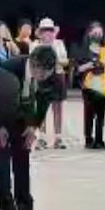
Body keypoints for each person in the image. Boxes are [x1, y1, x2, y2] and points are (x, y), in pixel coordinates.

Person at [0, 46, 56, 210]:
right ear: (33, 64)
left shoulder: (49, 74)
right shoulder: (7, 69)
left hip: (22, 119)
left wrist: (33, 126)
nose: (43, 76)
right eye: (40, 72)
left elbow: (44, 101)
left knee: (22, 166)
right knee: (1, 168)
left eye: (47, 73)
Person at [75, 21, 105, 149]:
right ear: (89, 33)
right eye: (94, 32)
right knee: (89, 112)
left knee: (101, 113)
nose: (97, 35)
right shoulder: (83, 48)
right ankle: (88, 139)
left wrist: (103, 61)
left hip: (103, 83)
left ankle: (99, 139)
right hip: (88, 84)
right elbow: (78, 68)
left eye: (100, 32)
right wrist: (90, 64)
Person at [34, 18, 68, 149]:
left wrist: (53, 53)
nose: (47, 33)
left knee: (57, 108)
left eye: (50, 30)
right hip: (42, 78)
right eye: (44, 31)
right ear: (40, 33)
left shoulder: (59, 44)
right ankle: (41, 138)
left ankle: (58, 138)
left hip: (58, 76)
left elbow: (65, 61)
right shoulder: (35, 45)